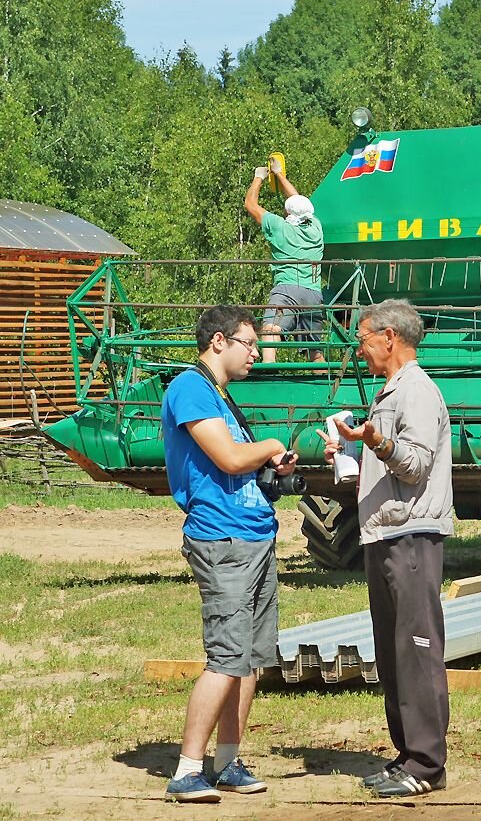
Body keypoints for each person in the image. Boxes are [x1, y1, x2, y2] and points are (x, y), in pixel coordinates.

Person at [161, 304, 298, 803]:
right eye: (250, 344)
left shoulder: (221, 396)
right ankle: (187, 769)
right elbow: (229, 457)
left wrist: (272, 464)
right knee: (225, 658)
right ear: (218, 341)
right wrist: (269, 446)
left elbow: (242, 463)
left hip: (255, 534)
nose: (257, 354)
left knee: (251, 659)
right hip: (222, 540)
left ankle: (227, 761)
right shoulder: (190, 388)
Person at [316, 299, 453, 798]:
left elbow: (415, 464)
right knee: (394, 652)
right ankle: (407, 756)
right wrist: (353, 448)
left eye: (363, 337)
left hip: (410, 535)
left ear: (389, 337)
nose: (359, 347)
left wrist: (375, 441)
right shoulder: (391, 390)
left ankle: (426, 765)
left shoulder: (416, 390)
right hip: (387, 533)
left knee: (415, 651)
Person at [244, 158, 324, 365]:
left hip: (287, 290)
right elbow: (298, 199)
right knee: (314, 349)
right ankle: (326, 387)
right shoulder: (316, 228)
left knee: (271, 329)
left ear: (288, 212)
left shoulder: (279, 227)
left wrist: (258, 177)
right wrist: (280, 175)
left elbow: (250, 204)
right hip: (314, 294)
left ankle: (269, 369)